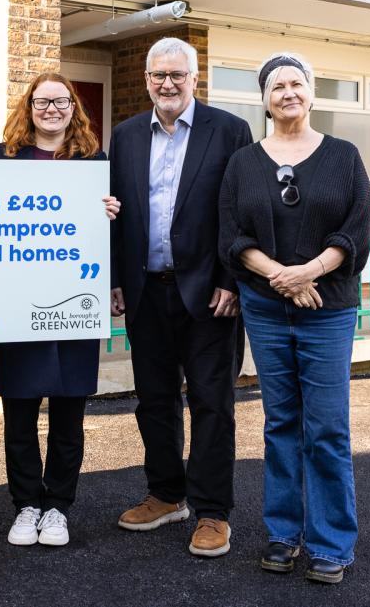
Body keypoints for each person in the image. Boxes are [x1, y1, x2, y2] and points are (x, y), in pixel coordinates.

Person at [218, 52, 370, 585]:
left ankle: (331, 542)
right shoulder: (243, 163)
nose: (287, 91)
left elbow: (357, 233)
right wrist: (281, 276)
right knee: (280, 423)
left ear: (311, 92)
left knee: (326, 426)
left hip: (328, 310)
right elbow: (232, 237)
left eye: (296, 83)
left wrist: (309, 271)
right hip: (265, 307)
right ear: (264, 98)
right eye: (276, 85)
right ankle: (284, 534)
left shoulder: (344, 156)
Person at [108, 36, 253, 557]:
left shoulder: (230, 131)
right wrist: (114, 278)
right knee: (154, 400)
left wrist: (232, 282)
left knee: (212, 404)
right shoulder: (124, 136)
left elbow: (243, 211)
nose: (167, 84)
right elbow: (116, 213)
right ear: (147, 79)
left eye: (177, 75)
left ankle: (213, 511)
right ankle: (167, 494)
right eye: (158, 75)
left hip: (210, 296)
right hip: (147, 291)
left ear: (195, 78)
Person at [0, 72, 120, 548]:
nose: (52, 109)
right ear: (29, 106)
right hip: (17, 303)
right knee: (18, 414)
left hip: (73, 303)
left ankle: (58, 507)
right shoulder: (1, 158)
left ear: (73, 108)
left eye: (61, 101)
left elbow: (108, 237)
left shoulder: (93, 160)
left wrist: (106, 213)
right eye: (42, 101)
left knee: (68, 414)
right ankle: (26, 505)